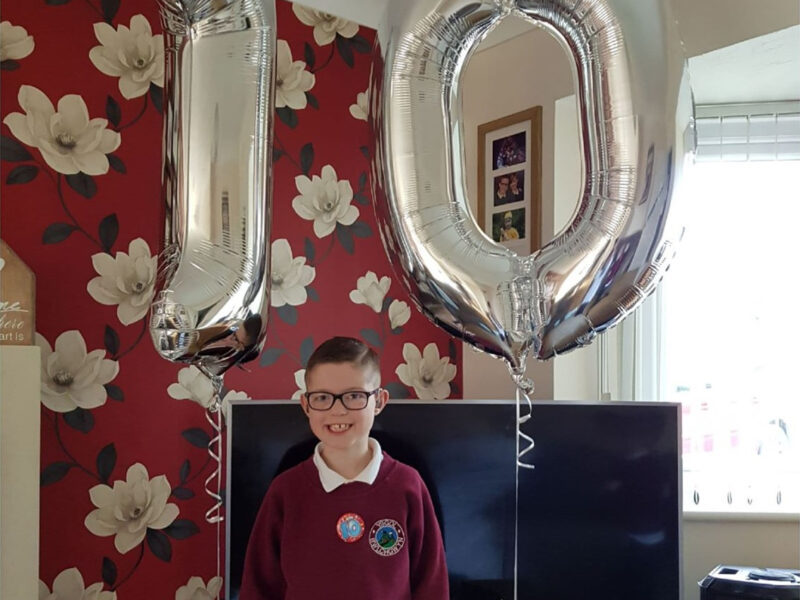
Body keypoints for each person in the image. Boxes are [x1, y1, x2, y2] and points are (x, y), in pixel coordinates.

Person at [239, 336, 449, 600]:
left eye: (354, 396)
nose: (338, 410)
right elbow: (258, 586)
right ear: (306, 405)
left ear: (380, 401)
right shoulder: (285, 490)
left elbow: (431, 583)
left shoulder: (408, 485)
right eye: (323, 397)